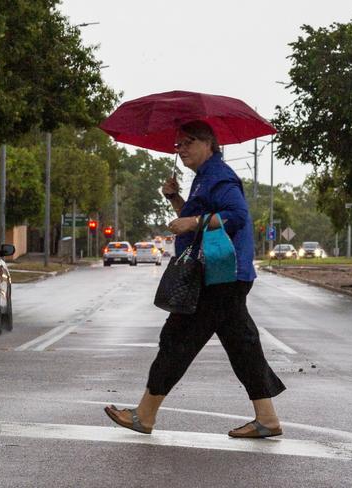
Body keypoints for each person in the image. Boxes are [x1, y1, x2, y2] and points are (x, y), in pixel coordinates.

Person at [104, 120, 286, 438]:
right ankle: (267, 418)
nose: (181, 149)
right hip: (223, 274)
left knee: (177, 339)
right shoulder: (203, 178)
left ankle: (144, 415)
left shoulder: (220, 176)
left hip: (220, 275)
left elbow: (236, 216)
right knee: (243, 345)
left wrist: (191, 222)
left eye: (188, 142)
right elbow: (197, 217)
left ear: (208, 144)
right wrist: (175, 200)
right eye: (178, 144)